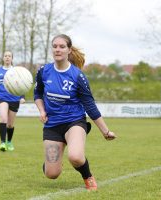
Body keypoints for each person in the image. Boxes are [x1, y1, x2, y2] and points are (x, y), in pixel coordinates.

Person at [34, 34, 116, 191]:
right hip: (52, 125)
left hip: (74, 122)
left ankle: (88, 177)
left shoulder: (78, 76)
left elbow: (90, 106)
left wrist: (105, 131)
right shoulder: (44, 71)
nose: (58, 49)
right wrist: (42, 110)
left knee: (76, 157)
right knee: (51, 174)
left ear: (68, 50)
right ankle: (54, 161)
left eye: (62, 46)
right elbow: (37, 94)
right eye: (55, 46)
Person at [0, 51, 25, 152]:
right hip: (2, 98)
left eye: (9, 56)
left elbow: (22, 84)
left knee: (10, 124)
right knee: (3, 119)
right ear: (3, 58)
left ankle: (9, 141)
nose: (7, 58)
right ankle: (3, 143)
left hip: (14, 98)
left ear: (12, 58)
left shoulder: (16, 71)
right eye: (5, 56)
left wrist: (22, 96)